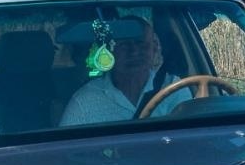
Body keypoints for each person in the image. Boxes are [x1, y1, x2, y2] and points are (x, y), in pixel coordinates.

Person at [59, 21, 189, 125]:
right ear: (110, 51)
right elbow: (65, 154)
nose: (133, 51)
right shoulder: (85, 102)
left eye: (140, 43)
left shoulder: (175, 90)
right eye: (124, 45)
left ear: (154, 49)